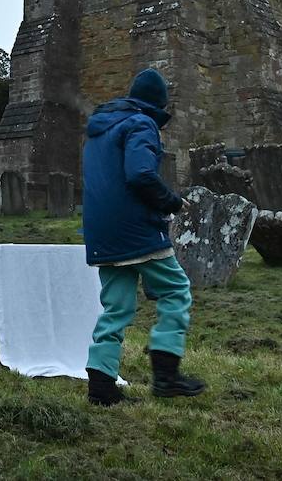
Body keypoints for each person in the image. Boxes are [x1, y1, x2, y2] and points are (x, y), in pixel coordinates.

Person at [81, 68, 205, 406]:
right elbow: (139, 174)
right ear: (157, 105)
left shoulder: (99, 129)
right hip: (135, 227)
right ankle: (166, 375)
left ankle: (102, 386)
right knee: (176, 291)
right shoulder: (141, 123)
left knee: (116, 307)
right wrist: (171, 201)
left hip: (100, 231)